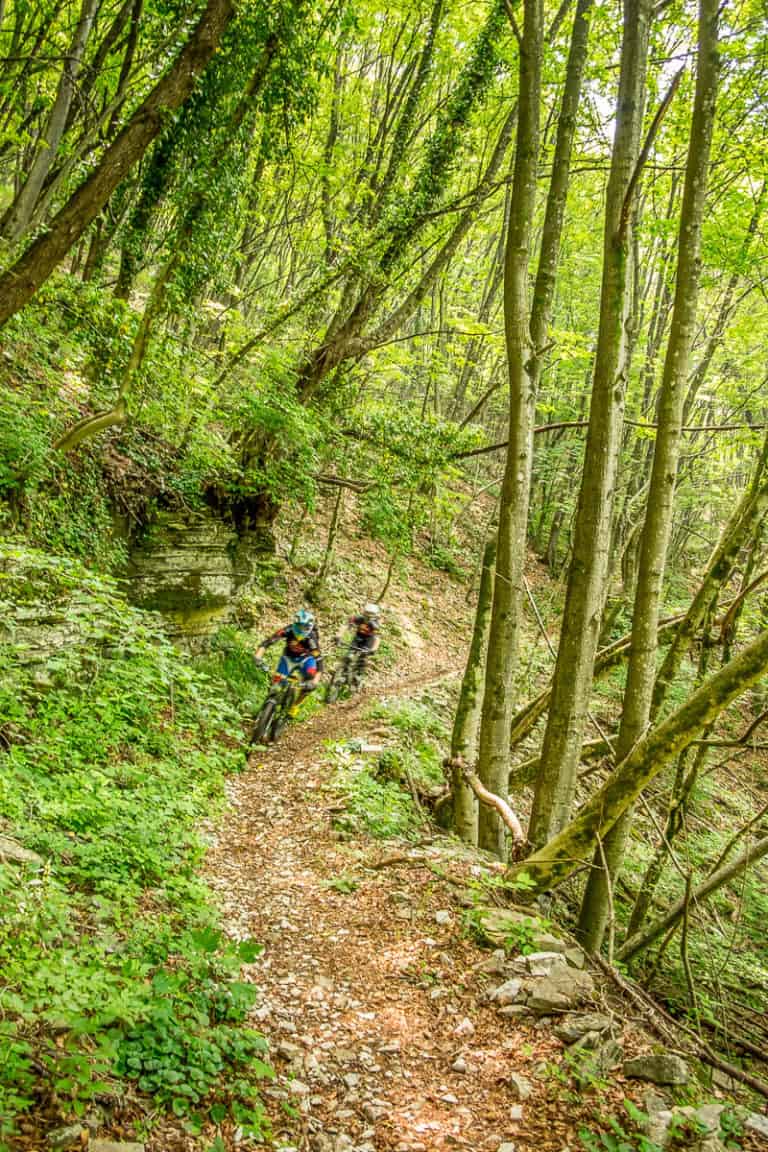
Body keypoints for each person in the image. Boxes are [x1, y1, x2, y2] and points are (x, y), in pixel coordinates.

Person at [255, 608, 322, 715]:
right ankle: (265, 709)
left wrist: (315, 682)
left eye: (305, 627)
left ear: (309, 628)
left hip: (306, 659)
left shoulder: (311, 639)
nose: (301, 629)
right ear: (295, 623)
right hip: (288, 658)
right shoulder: (288, 630)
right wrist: (258, 657)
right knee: (276, 685)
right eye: (299, 625)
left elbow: (319, 663)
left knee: (309, 682)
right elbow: (267, 642)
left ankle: (295, 705)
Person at [344, 602, 381, 680]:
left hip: (368, 641)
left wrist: (373, 649)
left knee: (362, 658)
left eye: (370, 615)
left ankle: (359, 674)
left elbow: (377, 638)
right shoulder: (360, 618)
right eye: (366, 614)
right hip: (358, 638)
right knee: (349, 655)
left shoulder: (375, 625)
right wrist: (339, 635)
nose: (367, 617)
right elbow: (347, 625)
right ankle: (342, 671)